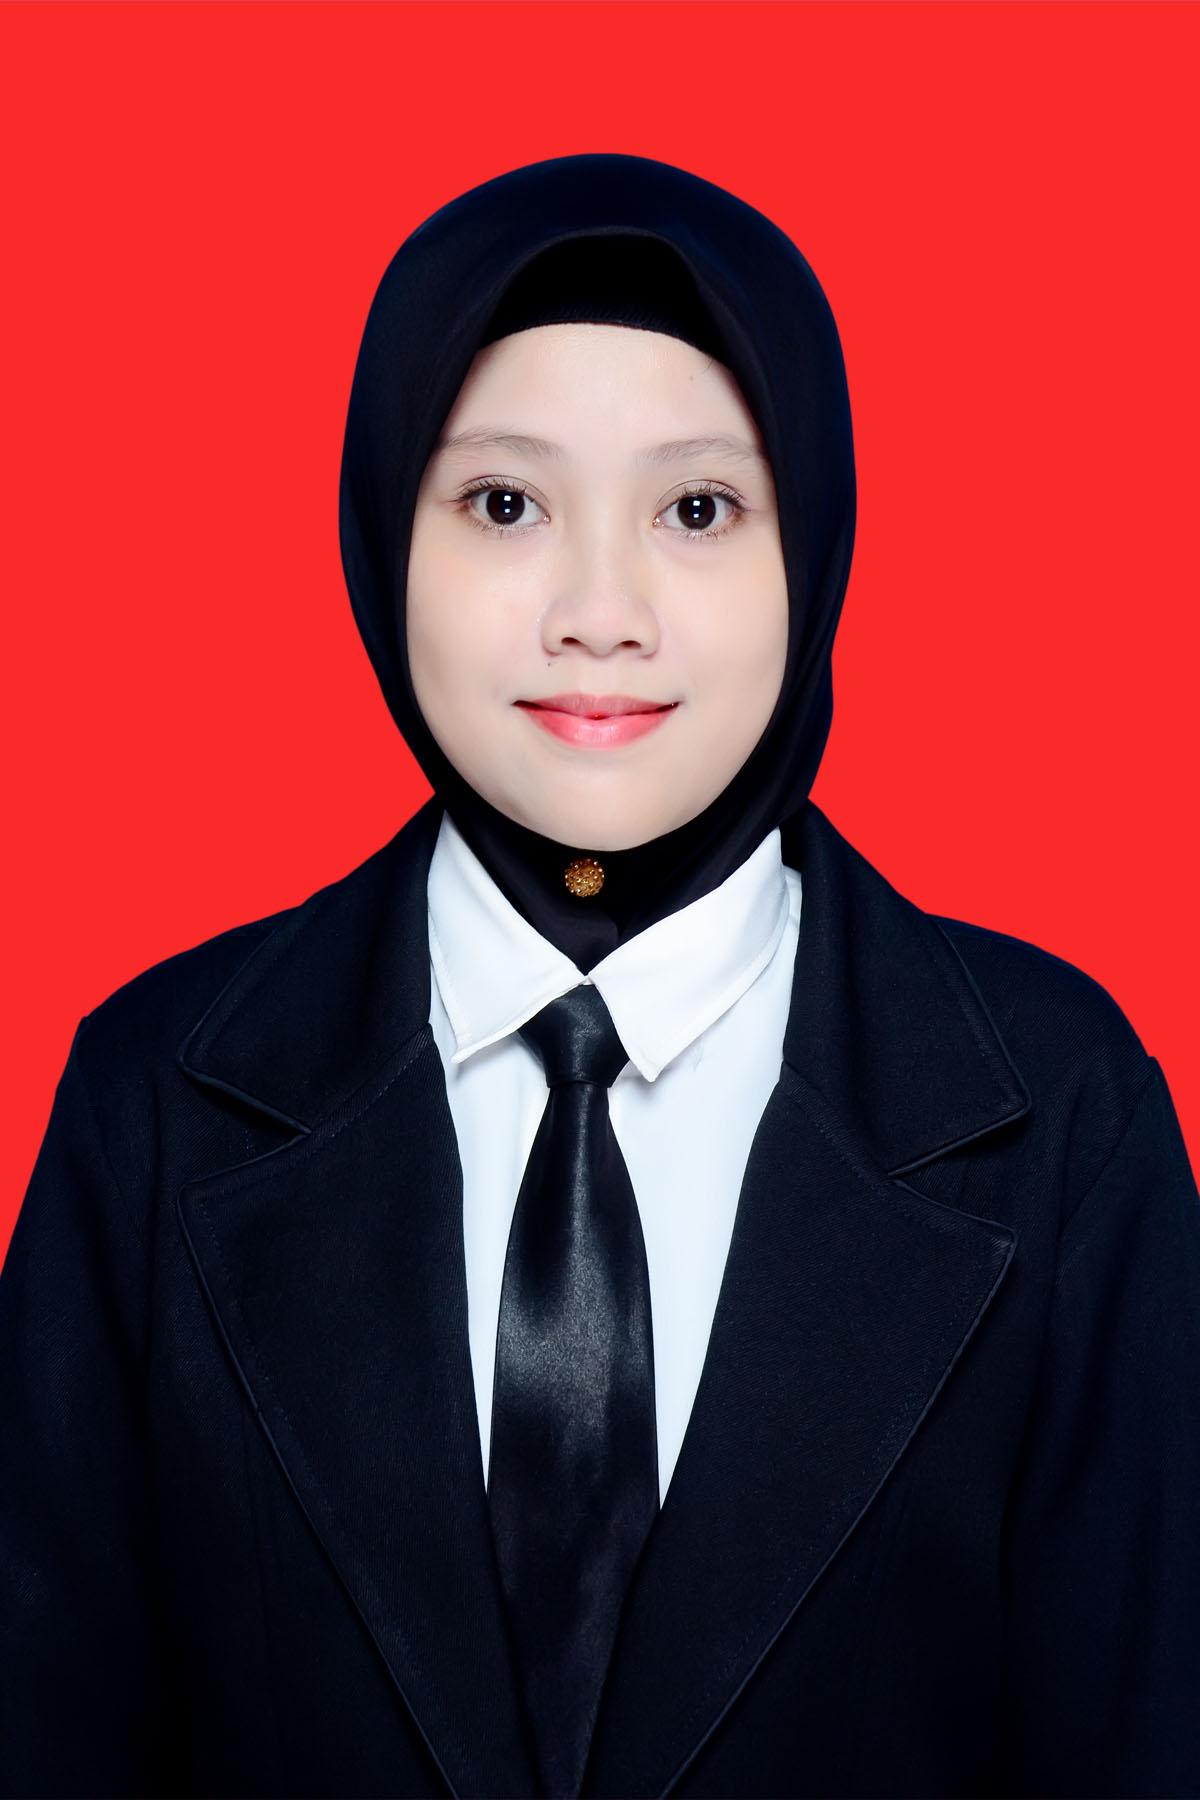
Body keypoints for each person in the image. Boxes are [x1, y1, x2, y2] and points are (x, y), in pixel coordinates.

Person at [1, 151, 1197, 1800]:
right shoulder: (155, 1092)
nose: (599, 612)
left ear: (814, 541)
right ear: (381, 530)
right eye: (506, 505)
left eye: (698, 510)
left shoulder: (1062, 1110)